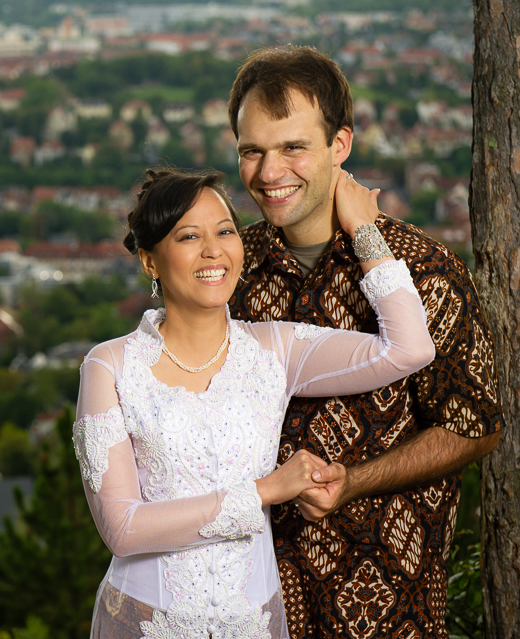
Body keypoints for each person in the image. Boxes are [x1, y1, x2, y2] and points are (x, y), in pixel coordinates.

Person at [72, 166, 435, 638]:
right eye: (188, 237)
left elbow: (410, 349)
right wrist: (266, 490)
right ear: (150, 261)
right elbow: (122, 528)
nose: (213, 251)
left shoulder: (276, 351)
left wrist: (364, 231)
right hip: (146, 623)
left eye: (225, 231)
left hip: (252, 624)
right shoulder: (109, 366)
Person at [227, 45, 503, 639]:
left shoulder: (423, 270)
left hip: (386, 612)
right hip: (243, 603)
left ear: (340, 146)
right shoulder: (229, 271)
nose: (270, 172)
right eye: (253, 151)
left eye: (293, 147)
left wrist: (355, 480)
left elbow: (475, 425)